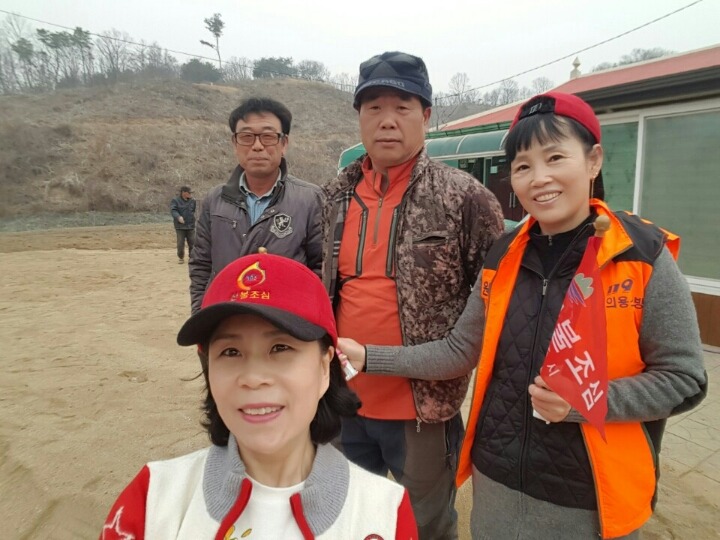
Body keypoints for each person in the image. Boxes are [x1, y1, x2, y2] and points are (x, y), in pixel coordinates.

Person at [338, 92, 708, 539]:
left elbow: (684, 379)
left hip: (590, 495)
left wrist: (586, 401)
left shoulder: (640, 256)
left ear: (593, 161)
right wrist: (368, 356)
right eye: (523, 166)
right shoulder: (504, 255)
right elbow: (458, 351)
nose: (540, 178)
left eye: (555, 158)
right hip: (498, 481)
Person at [100, 252, 418, 540]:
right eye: (230, 351)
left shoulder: (384, 514)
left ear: (324, 368)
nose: (253, 378)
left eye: (280, 348)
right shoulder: (152, 499)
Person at [320, 51, 504, 540]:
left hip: (422, 411)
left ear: (426, 116)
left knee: (425, 525)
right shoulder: (332, 198)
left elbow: (495, 301)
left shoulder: (465, 198)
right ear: (359, 117)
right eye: (374, 108)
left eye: (402, 107)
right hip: (341, 403)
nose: (387, 121)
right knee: (346, 518)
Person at [189, 97, 323, 314]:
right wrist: (201, 317)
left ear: (284, 144)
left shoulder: (310, 199)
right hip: (226, 317)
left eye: (268, 137)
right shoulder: (215, 200)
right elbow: (201, 267)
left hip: (285, 321)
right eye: (247, 137)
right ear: (235, 144)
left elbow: (321, 268)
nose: (258, 146)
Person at [170, 186, 196, 264]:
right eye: (189, 193)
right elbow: (173, 210)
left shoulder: (193, 201)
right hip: (180, 226)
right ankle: (181, 257)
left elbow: (193, 211)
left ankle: (192, 257)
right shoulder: (175, 200)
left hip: (191, 225)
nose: (191, 194)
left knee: (192, 242)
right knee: (180, 243)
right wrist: (178, 217)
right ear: (184, 193)